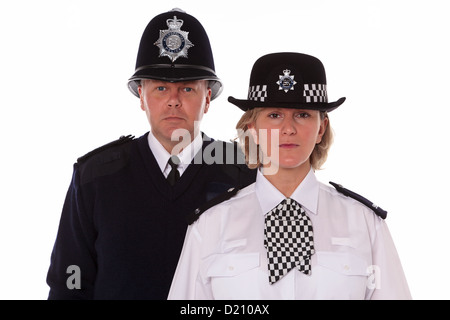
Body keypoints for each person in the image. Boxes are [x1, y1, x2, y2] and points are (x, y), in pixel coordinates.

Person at [46, 8, 256, 300]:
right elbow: (69, 283)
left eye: (187, 89)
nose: (173, 101)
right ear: (141, 97)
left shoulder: (245, 174)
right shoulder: (95, 178)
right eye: (160, 88)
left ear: (207, 98)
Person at [168, 52, 412, 300]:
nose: (288, 128)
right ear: (252, 129)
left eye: (303, 114)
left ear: (321, 128)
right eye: (274, 115)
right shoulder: (210, 226)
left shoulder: (365, 224)